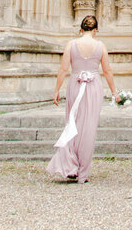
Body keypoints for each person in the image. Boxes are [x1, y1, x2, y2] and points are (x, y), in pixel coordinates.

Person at [47, 15, 118, 183]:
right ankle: (83, 172)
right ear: (96, 30)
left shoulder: (71, 45)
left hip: (75, 84)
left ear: (80, 29)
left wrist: (57, 90)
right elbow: (107, 71)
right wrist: (114, 92)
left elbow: (63, 69)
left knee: (72, 122)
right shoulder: (100, 46)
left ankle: (70, 164)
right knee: (89, 127)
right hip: (93, 87)